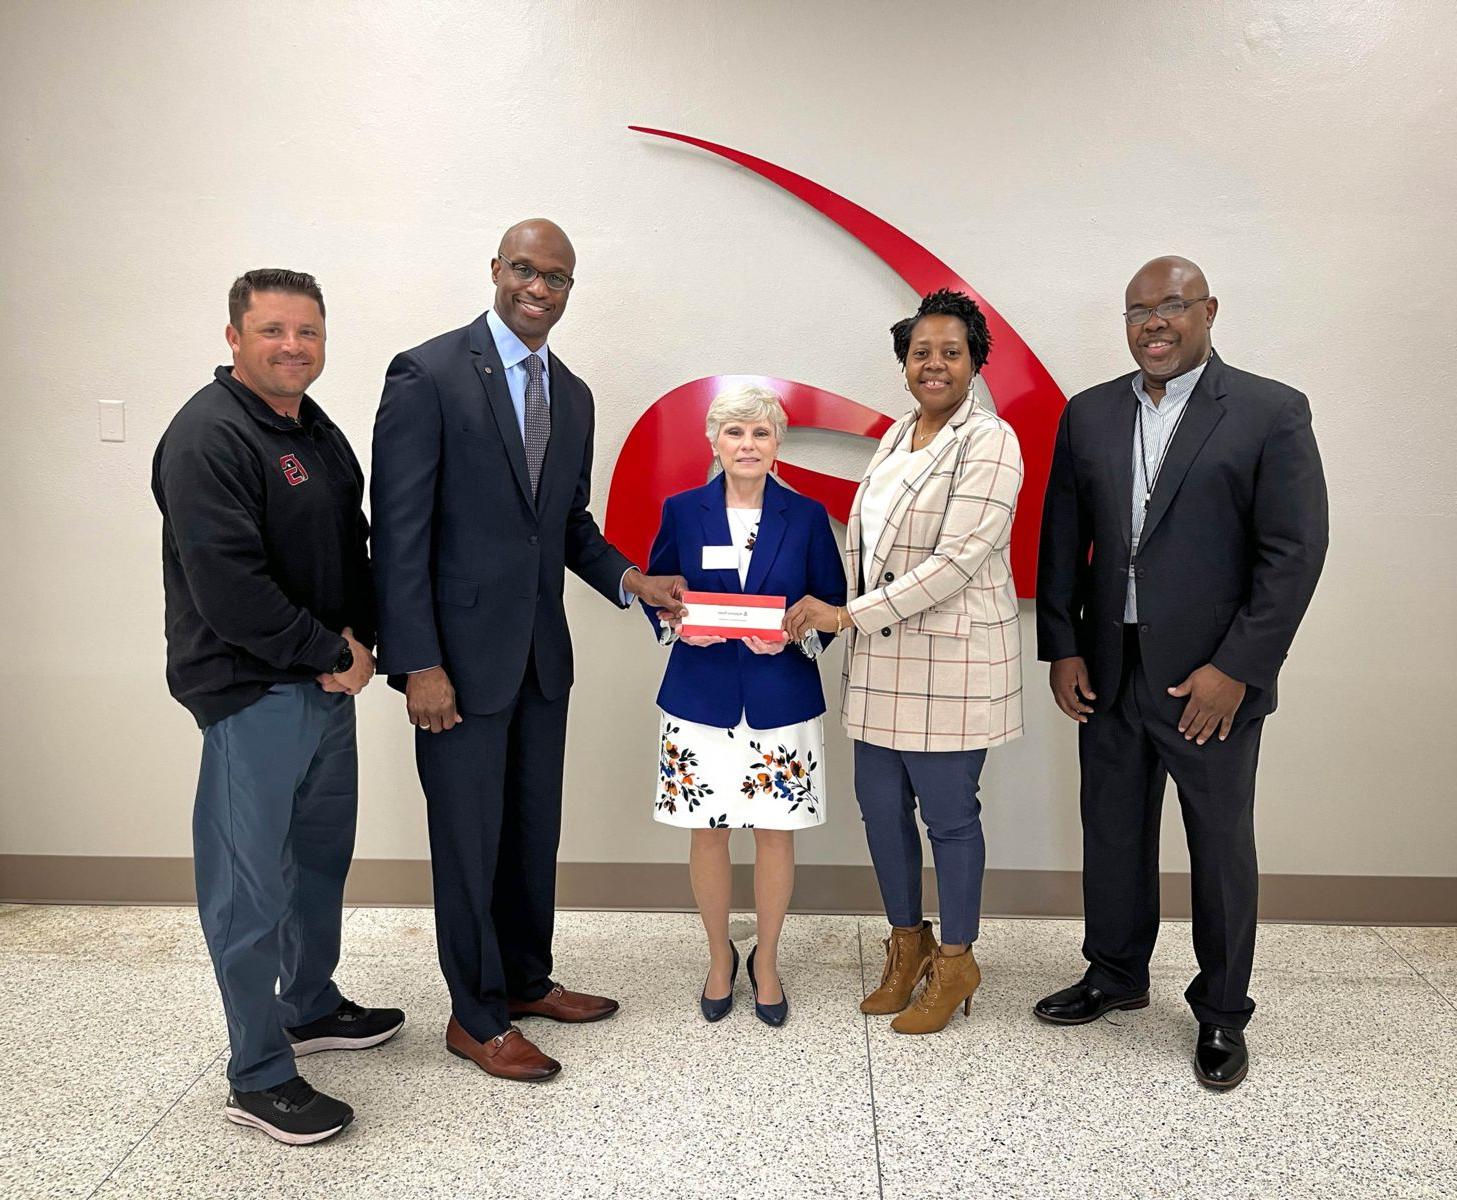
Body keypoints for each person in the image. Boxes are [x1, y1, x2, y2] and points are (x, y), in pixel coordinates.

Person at [371, 220, 685, 1082]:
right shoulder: (427, 374)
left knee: (527, 834)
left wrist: (631, 579)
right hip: (458, 667)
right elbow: (398, 535)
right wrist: (418, 662)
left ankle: (521, 981)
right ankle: (473, 1018)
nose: (538, 288)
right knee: (468, 843)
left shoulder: (572, 394)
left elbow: (566, 524)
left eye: (556, 277)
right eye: (524, 269)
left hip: (541, 659)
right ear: (495, 270)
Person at [1033, 256, 1328, 1090]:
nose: (1152, 323)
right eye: (1136, 311)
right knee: (1113, 830)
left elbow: (1292, 553)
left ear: (1208, 312)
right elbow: (1062, 541)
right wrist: (1063, 644)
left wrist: (1234, 668)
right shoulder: (1088, 414)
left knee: (1218, 846)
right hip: (1110, 668)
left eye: (1170, 306)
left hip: (1210, 681)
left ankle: (1222, 1013)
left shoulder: (1269, 411)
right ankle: (1115, 974)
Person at [152, 269, 403, 1145]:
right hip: (253, 692)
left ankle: (310, 1004)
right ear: (233, 337)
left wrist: (361, 647)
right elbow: (229, 588)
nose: (292, 346)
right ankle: (258, 1073)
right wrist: (332, 652)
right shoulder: (206, 436)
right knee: (247, 890)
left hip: (324, 689)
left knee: (316, 865)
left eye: (307, 332)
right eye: (271, 330)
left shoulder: (312, 427)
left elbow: (352, 543)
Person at [785, 289, 1024, 1035]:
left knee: (949, 820)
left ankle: (956, 961)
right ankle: (907, 945)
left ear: (974, 362)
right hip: (884, 662)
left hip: (951, 664)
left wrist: (845, 615)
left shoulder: (989, 441)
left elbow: (955, 561)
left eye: (950, 351)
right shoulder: (896, 437)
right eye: (921, 352)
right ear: (904, 363)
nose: (934, 364)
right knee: (881, 810)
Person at [644, 385, 846, 1026]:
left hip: (779, 696)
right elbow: (661, 593)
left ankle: (768, 961)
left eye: (760, 433)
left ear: (777, 443)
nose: (748, 445)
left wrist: (794, 631)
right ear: (714, 441)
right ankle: (718, 957)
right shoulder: (682, 510)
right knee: (708, 833)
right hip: (700, 695)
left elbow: (831, 608)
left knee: (774, 834)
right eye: (735, 433)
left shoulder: (808, 516)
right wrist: (681, 624)